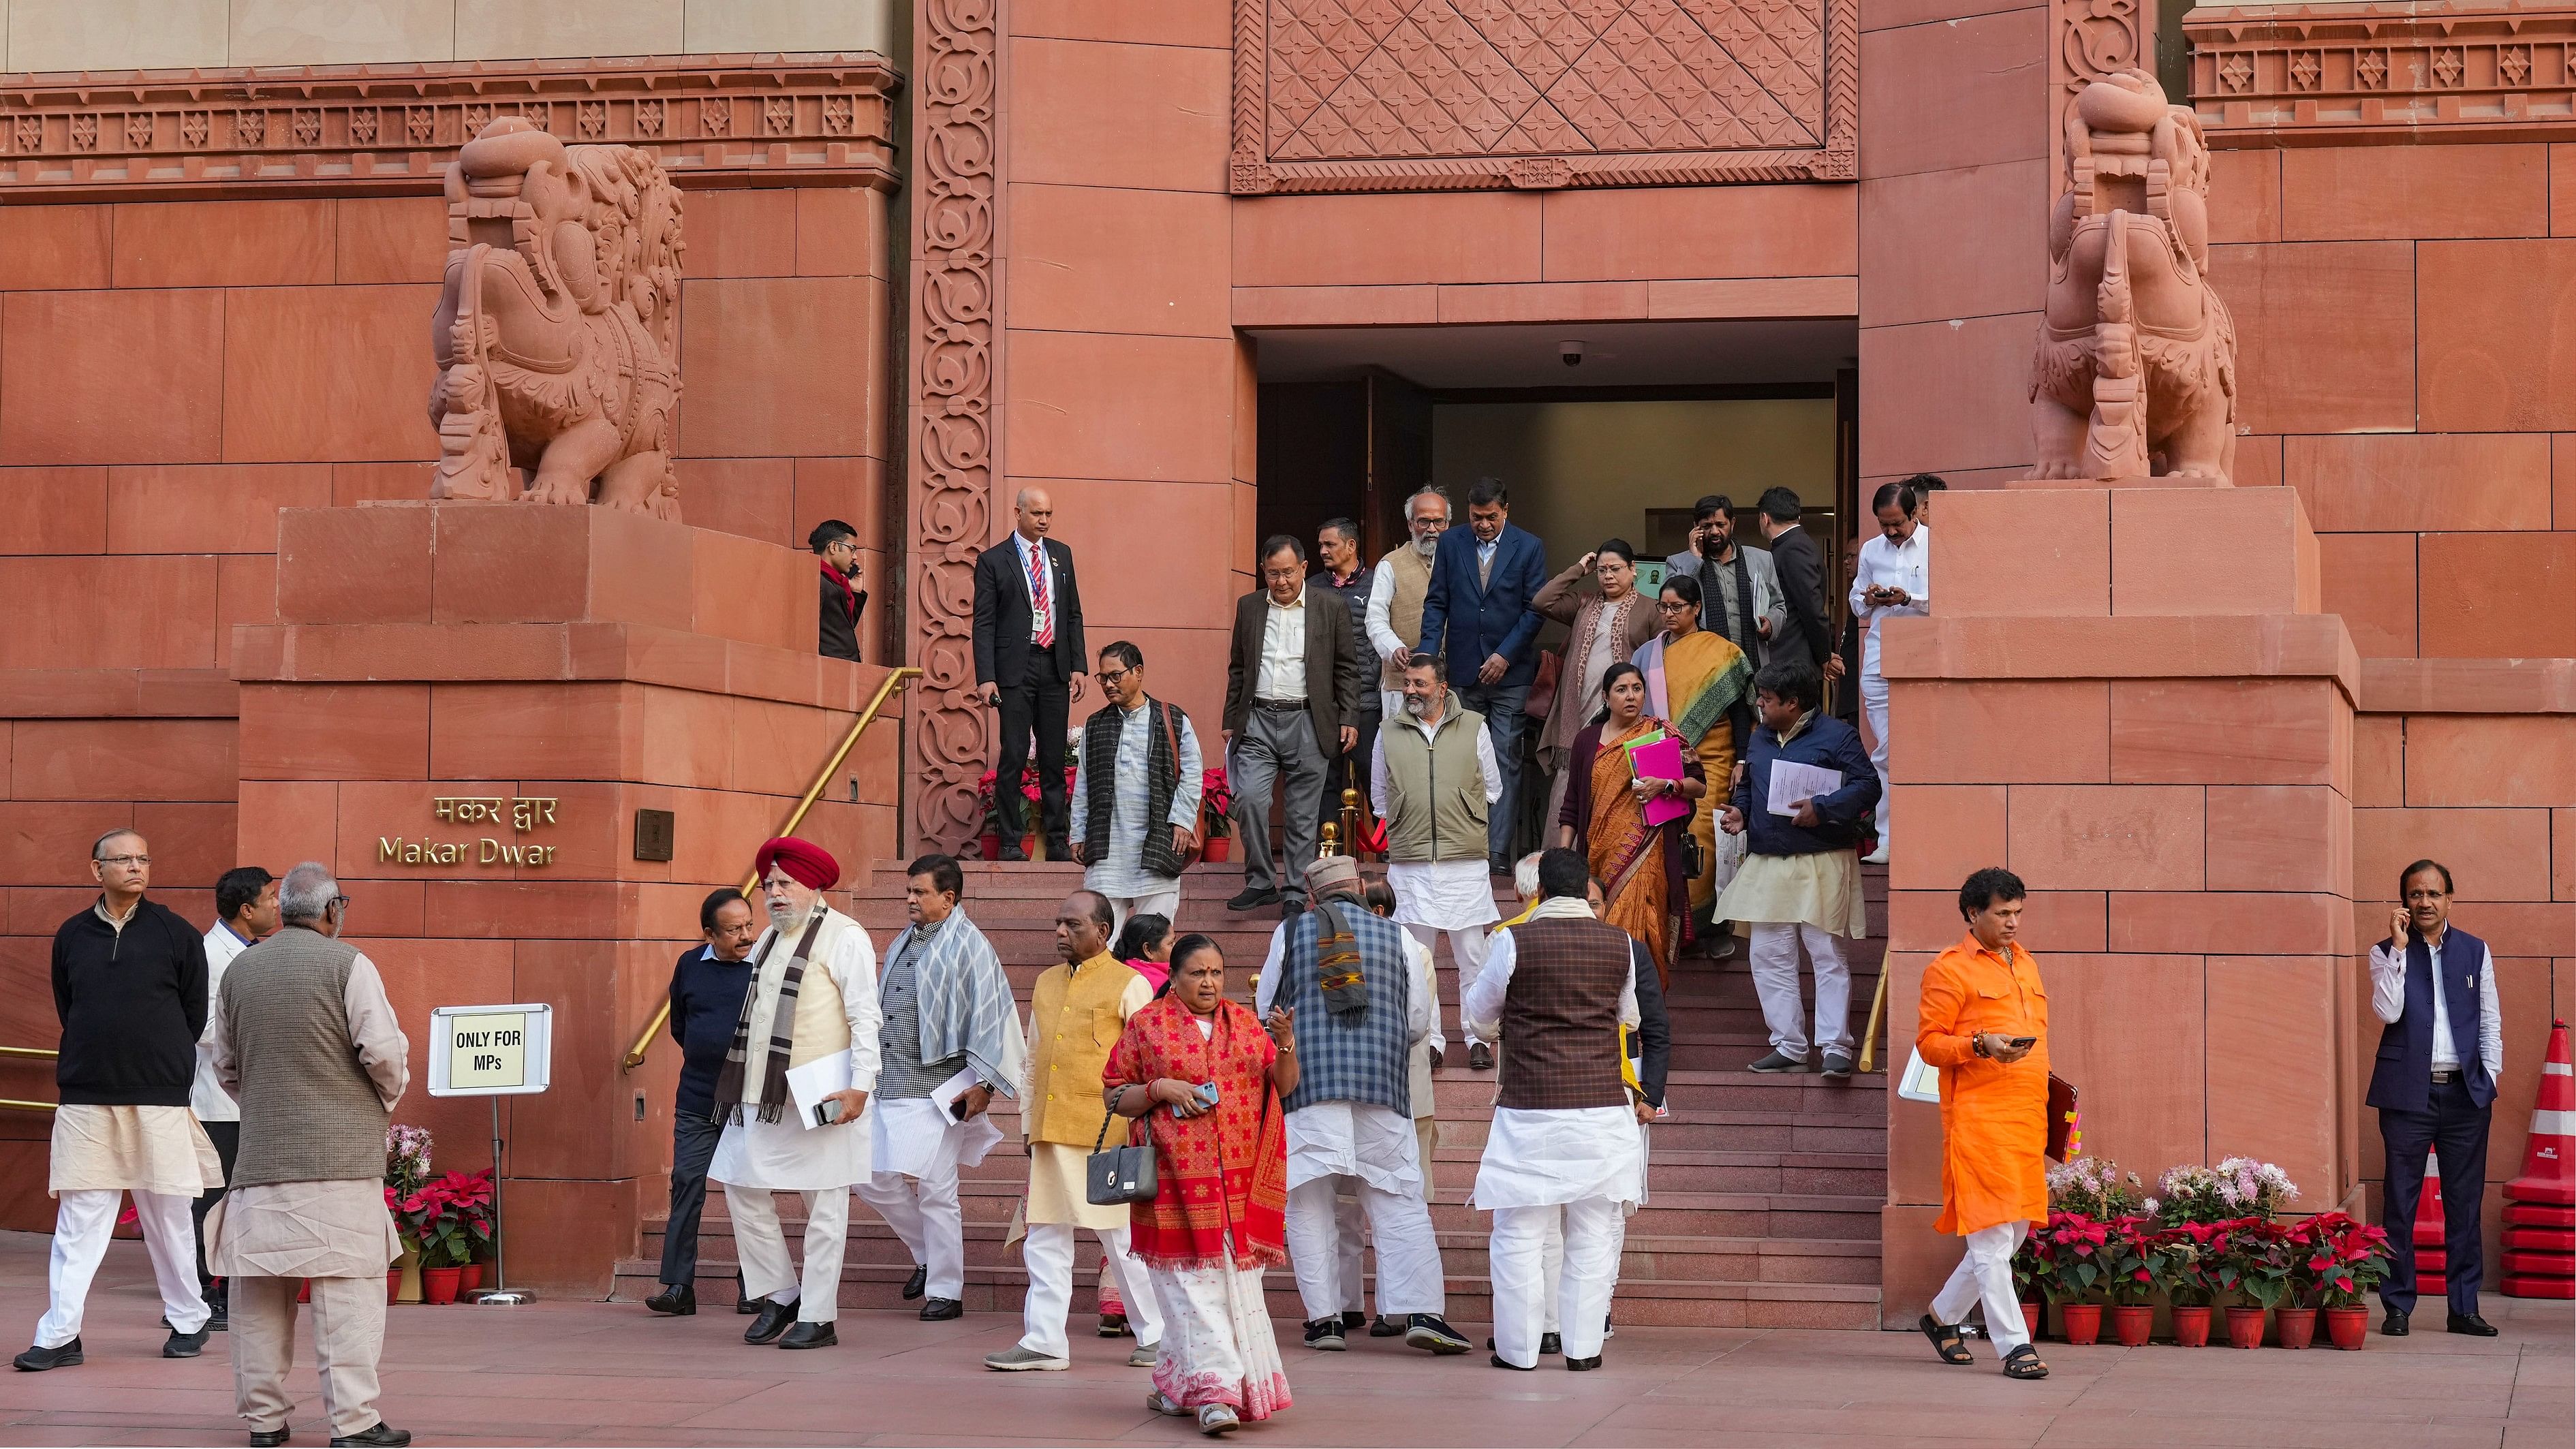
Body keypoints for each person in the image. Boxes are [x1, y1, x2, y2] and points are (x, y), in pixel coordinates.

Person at [204, 863, 414, 1446]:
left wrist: (268, 1104)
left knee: (257, 1297)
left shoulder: (240, 970)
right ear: (331, 910)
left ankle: (265, 1423)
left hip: (261, 1161)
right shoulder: (350, 963)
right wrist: (378, 1105)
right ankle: (354, 1423)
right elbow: (383, 1054)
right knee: (348, 1297)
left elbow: (225, 1066)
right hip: (342, 1163)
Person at [16, 829, 221, 1373]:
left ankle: (189, 1318)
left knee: (170, 1216)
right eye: (123, 859)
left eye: (142, 858)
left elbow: (193, 1014)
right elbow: (71, 1005)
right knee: (80, 1220)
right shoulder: (71, 934)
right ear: (96, 869)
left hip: (158, 1097)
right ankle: (60, 1334)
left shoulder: (176, 933)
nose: (135, 866)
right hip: (86, 1097)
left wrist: (160, 1061)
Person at [1252, 856, 1468, 1357]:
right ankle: (1419, 1311)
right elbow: (1417, 1023)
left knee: (1309, 1205)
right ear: (1358, 888)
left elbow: (1268, 1011)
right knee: (1397, 1199)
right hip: (1382, 1089)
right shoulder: (1401, 939)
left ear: (1314, 896)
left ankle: (1325, 1320)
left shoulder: (1290, 933)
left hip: (1308, 1090)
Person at [1104, 935, 1299, 1435]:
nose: (1209, 982)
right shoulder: (1147, 1025)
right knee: (1191, 1291)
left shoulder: (1244, 1023)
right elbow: (1114, 1093)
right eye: (1198, 972)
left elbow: (1284, 1084)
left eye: (1216, 971)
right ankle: (1216, 1396)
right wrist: (1159, 1088)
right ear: (1174, 975)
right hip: (1172, 1184)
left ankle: (1174, 1384)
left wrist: (1285, 1044)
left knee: (1215, 1291)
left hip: (1235, 1189)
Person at [1463, 848, 1645, 1373]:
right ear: (1586, 888)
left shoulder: (1511, 940)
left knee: (1519, 1230)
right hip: (1601, 1110)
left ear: (1538, 889)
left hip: (1530, 1108)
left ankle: (1518, 1351)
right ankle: (1583, 1349)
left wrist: (1509, 1026)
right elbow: (1629, 1017)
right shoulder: (1620, 944)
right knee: (1593, 1230)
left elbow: (1478, 1016)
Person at [709, 837, 880, 1352]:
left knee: (825, 1203)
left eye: (785, 883)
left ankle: (818, 1315)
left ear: (814, 885)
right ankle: (781, 1292)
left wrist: (861, 1086)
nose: (775, 893)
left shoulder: (845, 936)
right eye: (769, 885)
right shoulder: (766, 939)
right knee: (740, 1183)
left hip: (825, 1092)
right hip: (762, 1092)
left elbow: (865, 1016)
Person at [990, 891, 1164, 1372]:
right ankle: (1044, 1340)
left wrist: (1142, 1129)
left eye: (1072, 924)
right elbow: (1033, 1057)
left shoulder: (1129, 983)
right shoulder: (1046, 982)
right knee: (1043, 1239)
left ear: (1103, 931)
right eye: (1058, 923)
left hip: (1106, 1132)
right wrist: (1027, 1123)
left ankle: (1157, 1335)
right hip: (1050, 1129)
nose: (1060, 932)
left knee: (1121, 1240)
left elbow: (1148, 1061)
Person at [854, 854, 1023, 1325]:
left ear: (949, 898)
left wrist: (984, 1084)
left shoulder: (971, 947)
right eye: (908, 891)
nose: (909, 899)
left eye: (920, 892)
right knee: (866, 1174)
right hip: (888, 1080)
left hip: (941, 1086)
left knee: (936, 1189)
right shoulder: (903, 940)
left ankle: (946, 1290)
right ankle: (926, 1252)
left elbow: (993, 1014)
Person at [1914, 868, 2051, 1382]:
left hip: (2026, 1116)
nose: (2013, 922)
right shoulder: (1948, 969)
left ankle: (1941, 1317)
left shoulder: (2028, 964)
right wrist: (1978, 1044)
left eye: (2017, 911)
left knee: (2012, 1234)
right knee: (1991, 1237)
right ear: (1972, 913)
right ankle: (2015, 1346)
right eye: (2002, 913)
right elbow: (1929, 1043)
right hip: (1978, 1118)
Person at [1716, 661, 1880, 1078]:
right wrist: (1741, 811)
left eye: (1767, 700)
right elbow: (1751, 785)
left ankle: (1835, 1047)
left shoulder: (1837, 735)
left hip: (1821, 857)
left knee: (1826, 954)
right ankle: (1788, 1045)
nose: (1759, 706)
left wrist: (1821, 809)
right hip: (1769, 857)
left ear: (1793, 704)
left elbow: (1868, 786)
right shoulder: (1761, 738)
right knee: (1769, 955)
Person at [2368, 859, 2503, 1338]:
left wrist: (2488, 1079)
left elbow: (2489, 1019)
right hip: (2407, 1094)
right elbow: (2387, 1010)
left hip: (2466, 1095)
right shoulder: (2385, 950)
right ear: (2403, 901)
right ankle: (2397, 1306)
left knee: (2463, 1204)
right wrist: (2400, 951)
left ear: (2449, 898)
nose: (2423, 901)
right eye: (2414, 894)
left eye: (2432, 893)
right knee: (2399, 1203)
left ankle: (2463, 1307)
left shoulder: (2474, 951)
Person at [1371, 652, 1502, 1071]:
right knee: (1418, 957)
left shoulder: (1475, 726)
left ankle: (1477, 1037)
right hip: (1410, 862)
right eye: (1407, 683)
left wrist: (1459, 815)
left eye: (1419, 684)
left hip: (1463, 861)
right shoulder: (1387, 731)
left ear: (1441, 688)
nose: (1410, 691)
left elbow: (1494, 788)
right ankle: (1431, 1042)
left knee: (1472, 956)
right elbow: (1379, 795)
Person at [1223, 535, 1364, 918]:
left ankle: (1295, 892)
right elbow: (1238, 668)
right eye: (1272, 574)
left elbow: (1347, 670)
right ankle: (1260, 882)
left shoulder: (1330, 606)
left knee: (1303, 815)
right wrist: (1229, 720)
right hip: (1258, 720)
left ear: (1303, 568)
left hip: (1309, 720)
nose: (1281, 581)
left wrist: (1349, 717)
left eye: (1288, 572)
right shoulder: (1249, 607)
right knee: (1249, 798)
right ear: (1263, 572)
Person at [1414, 478, 1548, 873]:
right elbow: (1437, 602)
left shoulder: (1529, 546)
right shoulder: (1452, 542)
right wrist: (1426, 656)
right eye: (1476, 518)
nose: (1484, 525)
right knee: (1460, 758)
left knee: (1505, 757)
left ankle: (1497, 852)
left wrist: (1505, 655)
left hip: (1512, 673)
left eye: (1491, 517)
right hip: (1462, 669)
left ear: (1506, 510)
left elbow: (1535, 609)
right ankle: (1462, 845)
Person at [645, 888, 762, 1318]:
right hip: (697, 1094)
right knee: (687, 1184)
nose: (746, 935)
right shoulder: (690, 965)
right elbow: (680, 1025)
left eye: (749, 925)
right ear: (709, 934)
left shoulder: (765, 964)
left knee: (749, 1190)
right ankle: (678, 1287)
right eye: (734, 930)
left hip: (749, 1098)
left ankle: (757, 1286)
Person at [1556, 661, 1707, 980]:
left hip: (1648, 852)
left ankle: (1641, 1015)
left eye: (1637, 689)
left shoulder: (1661, 733)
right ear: (1606, 697)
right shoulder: (1586, 741)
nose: (1631, 697)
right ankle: (1609, 1014)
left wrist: (1666, 785)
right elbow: (1572, 803)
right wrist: (1565, 853)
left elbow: (1699, 785)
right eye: (1622, 690)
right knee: (1602, 931)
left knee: (1642, 928)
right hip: (1596, 856)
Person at [1632, 574, 1753, 956]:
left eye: (1676, 608)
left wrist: (1744, 759)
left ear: (1696, 609)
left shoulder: (1724, 652)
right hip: (1660, 761)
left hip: (1713, 760)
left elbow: (1741, 713)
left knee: (1707, 840)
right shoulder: (1647, 655)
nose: (1668, 614)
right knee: (1663, 845)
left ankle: (1713, 930)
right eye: (1662, 607)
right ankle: (1675, 932)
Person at [974, 486, 1088, 861]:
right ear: (1018, 513)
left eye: (1049, 514)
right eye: (1037, 514)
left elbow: (1072, 613)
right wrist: (985, 676)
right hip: (1013, 671)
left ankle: (1057, 841)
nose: (1044, 521)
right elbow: (984, 622)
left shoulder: (1061, 555)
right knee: (1015, 755)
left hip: (1054, 665)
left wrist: (1078, 666)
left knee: (1054, 758)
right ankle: (1010, 841)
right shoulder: (993, 560)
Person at [193, 864, 279, 1328]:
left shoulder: (252, 952)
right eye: (270, 898)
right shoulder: (211, 955)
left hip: (247, 1098)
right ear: (246, 909)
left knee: (238, 1199)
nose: (276, 905)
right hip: (216, 1101)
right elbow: (202, 1028)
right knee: (210, 1199)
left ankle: (227, 1289)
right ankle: (202, 1295)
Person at [1072, 640, 1204, 935]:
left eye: (1115, 676)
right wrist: (1078, 834)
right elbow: (1084, 784)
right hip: (1107, 852)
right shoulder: (1095, 725)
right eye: (1102, 678)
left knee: (1153, 945)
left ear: (1138, 672)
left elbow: (1193, 774)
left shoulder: (1172, 718)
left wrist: (1182, 821)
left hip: (1158, 846)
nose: (1107, 684)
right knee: (1099, 946)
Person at [1533, 540, 1660, 832]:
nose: (1608, 576)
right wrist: (1579, 569)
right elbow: (1542, 601)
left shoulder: (1651, 609)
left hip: (1625, 712)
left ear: (1633, 569)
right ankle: (1563, 861)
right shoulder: (1583, 603)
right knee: (1571, 779)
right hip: (1579, 709)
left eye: (1616, 569)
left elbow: (1657, 665)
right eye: (1602, 570)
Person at [1850, 478, 1932, 863]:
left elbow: (1950, 601)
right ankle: (1887, 839)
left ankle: (1923, 833)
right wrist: (1868, 598)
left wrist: (1909, 599)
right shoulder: (1870, 550)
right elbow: (1855, 603)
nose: (1891, 531)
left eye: (1897, 522)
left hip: (1925, 660)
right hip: (1879, 659)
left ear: (1915, 514)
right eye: (1884, 524)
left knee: (1924, 748)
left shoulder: (1936, 545)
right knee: (1885, 751)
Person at [1311, 517, 1382, 839]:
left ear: (1351, 546)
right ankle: (1328, 861)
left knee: (1375, 778)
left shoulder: (1378, 583)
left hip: (1367, 699)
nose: (1323, 551)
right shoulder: (1310, 587)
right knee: (1326, 782)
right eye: (1321, 544)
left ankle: (1391, 855)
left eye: (1330, 544)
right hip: (1324, 703)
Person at [1664, 495, 1785, 667]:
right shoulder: (1678, 563)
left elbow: (1779, 605)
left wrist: (1771, 624)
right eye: (1706, 526)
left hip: (1752, 661)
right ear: (1696, 528)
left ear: (1732, 523)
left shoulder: (1762, 559)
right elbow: (1673, 605)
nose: (1714, 531)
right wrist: (1694, 560)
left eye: (1721, 525)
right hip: (1701, 665)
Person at [1365, 486, 1453, 720]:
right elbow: (1375, 618)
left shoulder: (1461, 562)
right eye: (1424, 522)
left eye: (1439, 522)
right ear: (1410, 524)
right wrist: (1394, 648)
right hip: (1403, 683)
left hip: (1452, 683)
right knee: (1402, 750)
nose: (1432, 530)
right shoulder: (1391, 564)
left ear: (1448, 525)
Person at [1755, 486, 1840, 691]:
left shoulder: (1794, 547)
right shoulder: (1792, 544)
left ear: (1765, 518)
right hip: (1792, 658)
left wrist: (1824, 655)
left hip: (1792, 660)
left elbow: (1810, 607)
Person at [811, 518, 867, 663]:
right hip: (829, 671)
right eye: (852, 549)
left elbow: (841, 630)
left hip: (839, 670)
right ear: (834, 547)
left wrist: (855, 591)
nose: (854, 557)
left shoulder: (835, 583)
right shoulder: (816, 581)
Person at [1117, 912, 1177, 996]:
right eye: (1171, 943)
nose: (1176, 947)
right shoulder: (1164, 984)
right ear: (1148, 950)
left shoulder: (1120, 972)